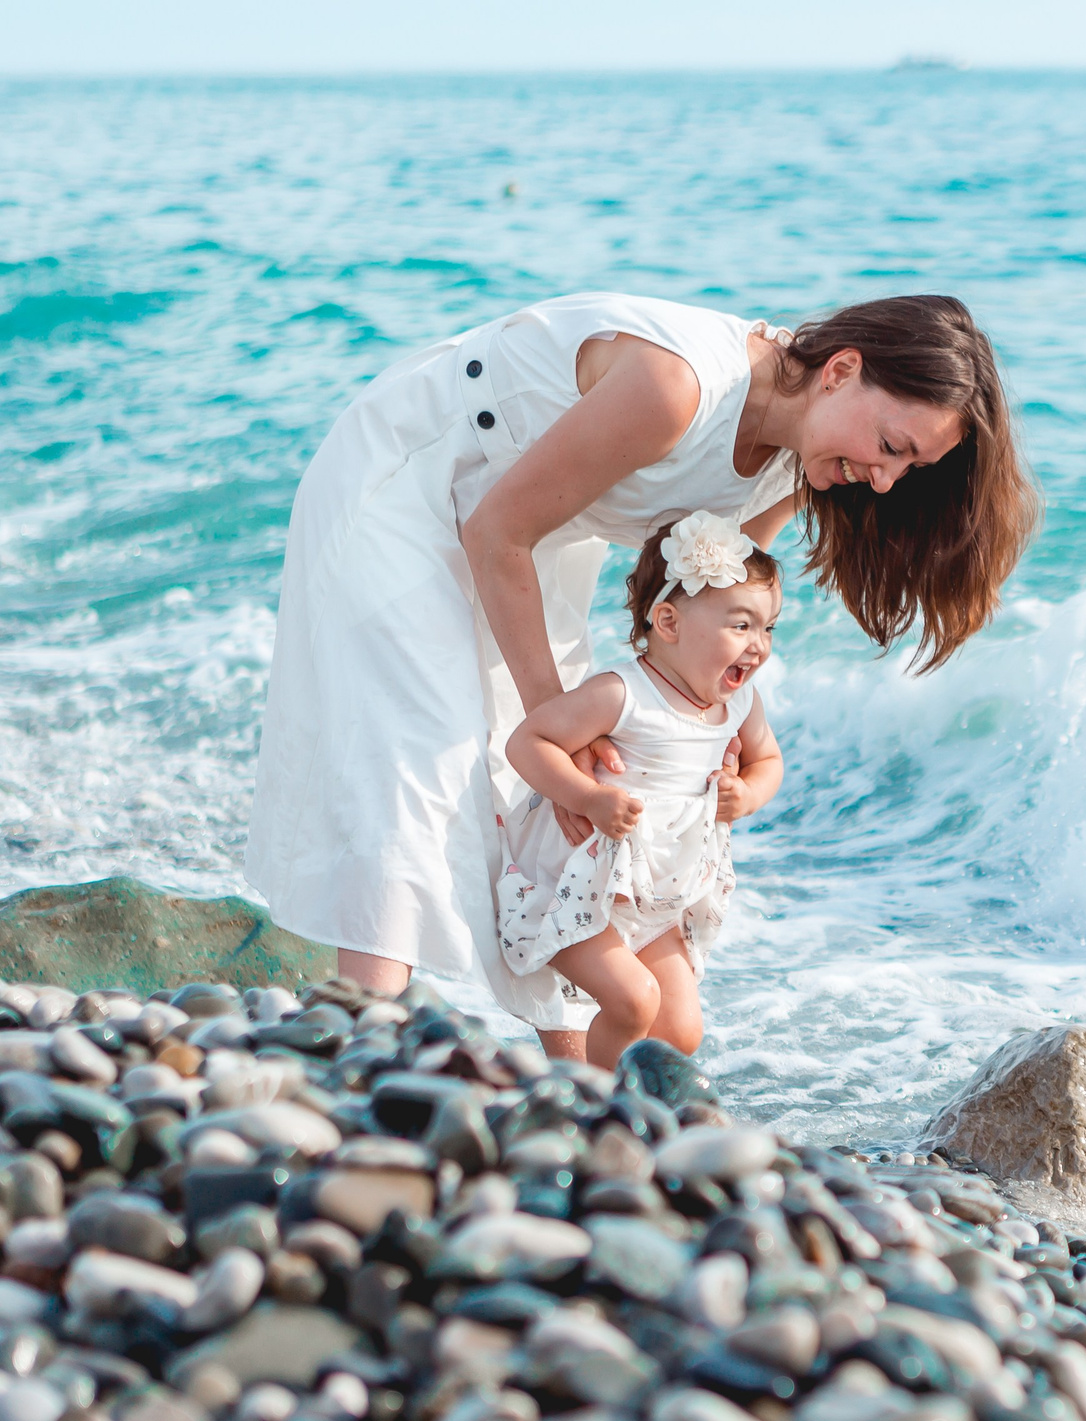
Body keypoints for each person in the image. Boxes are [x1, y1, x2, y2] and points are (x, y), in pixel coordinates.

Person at [244, 292, 1038, 1057]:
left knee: (538, 789)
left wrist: (704, 726)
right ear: (840, 370)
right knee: (420, 762)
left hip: (535, 524)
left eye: (911, 468)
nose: (887, 479)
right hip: (415, 479)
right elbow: (495, 532)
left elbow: (696, 605)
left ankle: (578, 1069)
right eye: (894, 447)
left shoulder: (794, 464)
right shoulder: (678, 387)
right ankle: (366, 1050)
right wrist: (557, 724)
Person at [497, 512, 782, 1067]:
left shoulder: (740, 704)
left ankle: (627, 1106)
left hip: (658, 891)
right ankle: (598, 1111)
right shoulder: (621, 693)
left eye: (768, 628)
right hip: (577, 883)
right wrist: (586, 797)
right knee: (633, 1001)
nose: (759, 646)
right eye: (741, 625)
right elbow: (527, 742)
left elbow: (767, 759)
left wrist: (746, 794)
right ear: (669, 623)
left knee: (681, 1029)